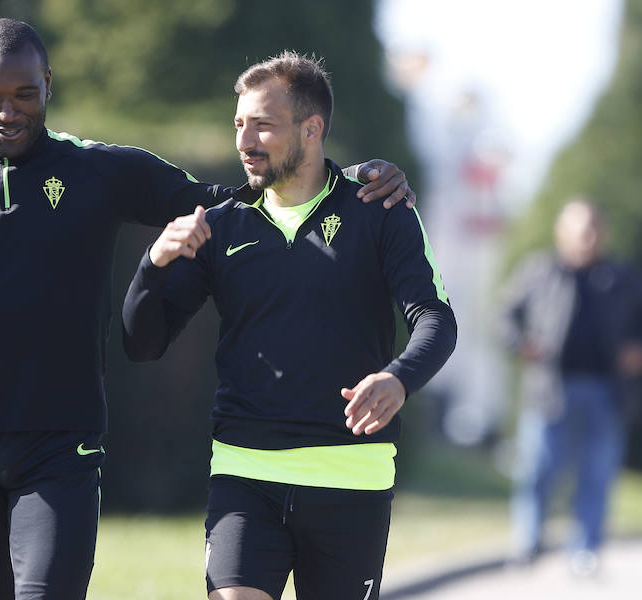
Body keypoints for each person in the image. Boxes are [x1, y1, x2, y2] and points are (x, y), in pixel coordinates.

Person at [0, 19, 414, 600]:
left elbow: (244, 198)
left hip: (60, 442)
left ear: (48, 84)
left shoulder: (100, 169)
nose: (7, 111)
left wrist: (359, 179)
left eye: (25, 94)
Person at [122, 51, 457, 600]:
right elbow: (142, 343)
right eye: (239, 124)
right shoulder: (223, 223)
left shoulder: (381, 209)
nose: (244, 141)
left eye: (263, 125)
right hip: (243, 474)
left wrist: (398, 378)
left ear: (311, 128)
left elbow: (436, 320)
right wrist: (151, 265)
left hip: (351, 480)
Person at [499, 199, 642, 575]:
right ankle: (528, 543)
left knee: (597, 474)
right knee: (538, 470)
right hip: (550, 389)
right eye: (581, 230)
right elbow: (505, 315)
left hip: (607, 393)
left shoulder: (623, 277)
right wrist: (521, 343)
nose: (588, 238)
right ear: (562, 233)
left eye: (594, 230)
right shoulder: (540, 270)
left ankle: (586, 551)